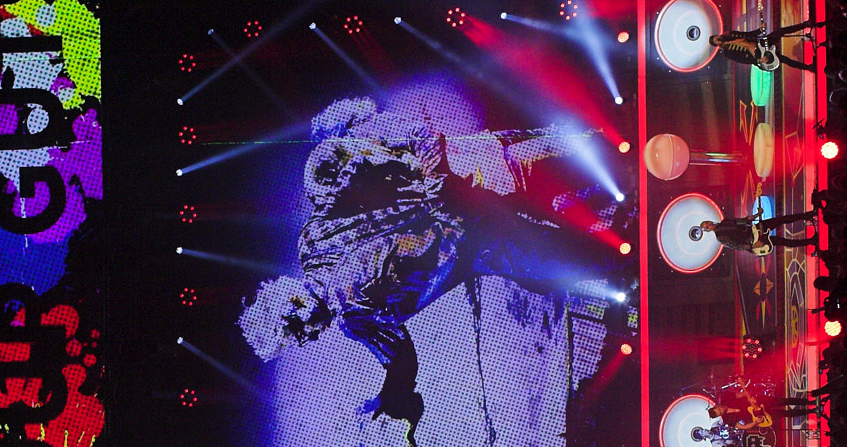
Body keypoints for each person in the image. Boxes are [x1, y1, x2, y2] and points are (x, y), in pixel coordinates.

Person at [239, 96, 624, 363]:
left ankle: (630, 144)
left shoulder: (322, 224)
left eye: (297, 333)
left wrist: (443, 187)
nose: (308, 339)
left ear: (292, 308)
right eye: (298, 342)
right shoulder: (353, 318)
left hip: (489, 174)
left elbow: (415, 139)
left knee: (591, 159)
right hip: (488, 237)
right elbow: (400, 356)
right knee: (570, 254)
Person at [709, 19, 822, 72]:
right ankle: (808, 67)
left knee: (780, 32)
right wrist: (758, 60)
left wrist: (760, 30)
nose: (718, 39)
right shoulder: (727, 52)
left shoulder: (730, 34)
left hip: (759, 43)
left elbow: (747, 35)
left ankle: (806, 24)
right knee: (782, 59)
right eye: (716, 41)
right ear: (717, 44)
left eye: (716, 37)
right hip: (757, 55)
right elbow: (742, 60)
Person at [694, 210, 820, 257]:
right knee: (782, 241)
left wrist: (757, 214)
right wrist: (754, 246)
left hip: (754, 229)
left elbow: (744, 220)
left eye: (708, 223)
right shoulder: (720, 238)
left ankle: (808, 215)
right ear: (708, 230)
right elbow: (737, 246)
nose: (709, 225)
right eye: (707, 227)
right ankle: (811, 241)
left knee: (781, 219)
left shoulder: (725, 221)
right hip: (754, 241)